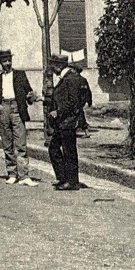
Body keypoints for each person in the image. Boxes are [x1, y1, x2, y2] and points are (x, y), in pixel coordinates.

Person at [0, 49, 38, 186]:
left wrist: (31, 97)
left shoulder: (20, 75)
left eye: (9, 60)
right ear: (0, 62)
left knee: (21, 143)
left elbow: (29, 93)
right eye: (5, 61)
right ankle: (12, 173)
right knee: (7, 143)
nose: (8, 63)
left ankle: (24, 176)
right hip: (4, 109)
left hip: (17, 109)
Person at [48, 54, 87, 191]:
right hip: (62, 122)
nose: (51, 68)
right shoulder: (65, 78)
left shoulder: (70, 79)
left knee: (69, 151)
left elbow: (73, 102)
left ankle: (72, 181)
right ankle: (64, 178)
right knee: (54, 148)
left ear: (58, 65)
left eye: (52, 65)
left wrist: (58, 112)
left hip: (68, 121)